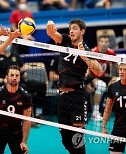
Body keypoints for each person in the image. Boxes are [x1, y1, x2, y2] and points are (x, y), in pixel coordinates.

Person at [46, 19, 103, 154]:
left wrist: (85, 57)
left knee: (77, 140)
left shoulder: (86, 50)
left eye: (75, 28)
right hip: (62, 98)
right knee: (66, 140)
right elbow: (51, 32)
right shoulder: (65, 41)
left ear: (82, 31)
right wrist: (50, 23)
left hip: (77, 97)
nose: (71, 30)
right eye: (70, 28)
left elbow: (99, 71)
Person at [0, 65, 32, 154]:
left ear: (20, 78)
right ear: (6, 77)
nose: (14, 78)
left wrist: (24, 141)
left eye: (17, 75)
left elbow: (27, 120)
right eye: (12, 75)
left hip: (16, 133)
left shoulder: (25, 96)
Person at [102, 63, 126, 154]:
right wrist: (104, 126)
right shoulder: (113, 87)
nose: (122, 72)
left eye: (125, 70)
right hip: (118, 129)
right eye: (120, 69)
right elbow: (108, 108)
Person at [87, 35, 118, 121]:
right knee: (102, 85)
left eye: (106, 42)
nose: (104, 44)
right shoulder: (93, 52)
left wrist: (115, 78)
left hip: (105, 77)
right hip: (93, 78)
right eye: (102, 41)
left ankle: (122, 111)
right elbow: (87, 70)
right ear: (98, 42)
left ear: (108, 43)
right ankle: (95, 112)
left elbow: (118, 69)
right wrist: (88, 83)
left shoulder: (111, 53)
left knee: (119, 82)